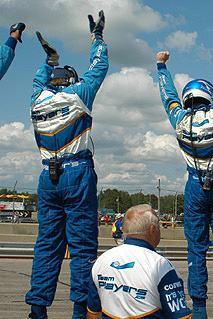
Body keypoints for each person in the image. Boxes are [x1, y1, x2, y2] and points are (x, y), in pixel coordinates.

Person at [25, 11, 108, 319]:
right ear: (70, 81)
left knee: (46, 246)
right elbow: (100, 66)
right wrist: (97, 38)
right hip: (77, 173)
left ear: (50, 81)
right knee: (83, 247)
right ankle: (79, 311)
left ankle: (37, 310)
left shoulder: (36, 99)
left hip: (47, 176)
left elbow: (37, 80)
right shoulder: (78, 94)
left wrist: (48, 60)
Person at [156, 35, 213, 319]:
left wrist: (162, 68)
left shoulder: (178, 119)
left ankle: (200, 308)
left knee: (196, 248)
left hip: (194, 185)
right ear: (209, 96)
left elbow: (167, 96)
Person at [87, 204, 192, 319]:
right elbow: (179, 316)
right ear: (152, 230)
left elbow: (93, 313)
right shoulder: (161, 266)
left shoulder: (102, 260)